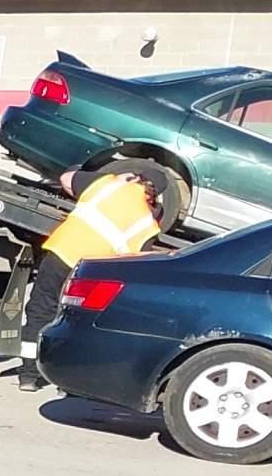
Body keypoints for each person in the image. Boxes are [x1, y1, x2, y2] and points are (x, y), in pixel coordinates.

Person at [17, 165, 167, 389]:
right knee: (75, 322)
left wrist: (119, 177)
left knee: (41, 310)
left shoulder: (106, 184)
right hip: (90, 272)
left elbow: (66, 178)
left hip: (62, 253)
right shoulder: (147, 223)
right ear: (154, 197)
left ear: (136, 177)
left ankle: (28, 375)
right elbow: (137, 260)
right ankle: (65, 381)